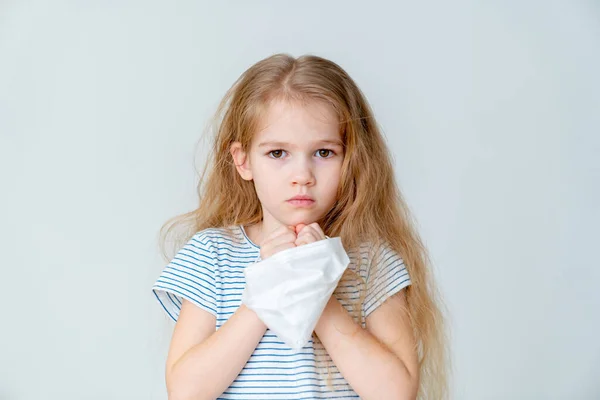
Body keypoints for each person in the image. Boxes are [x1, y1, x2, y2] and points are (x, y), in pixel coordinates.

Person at [151, 53, 449, 400]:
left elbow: (397, 393)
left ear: (351, 158)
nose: (302, 176)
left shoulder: (372, 262)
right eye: (278, 153)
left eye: (323, 153)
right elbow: (186, 391)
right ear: (243, 161)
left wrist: (317, 286)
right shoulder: (212, 254)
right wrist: (268, 289)